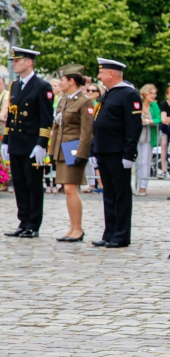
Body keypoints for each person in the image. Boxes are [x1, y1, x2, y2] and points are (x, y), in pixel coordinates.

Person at [89, 58, 143, 248]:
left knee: (121, 194)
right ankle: (109, 232)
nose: (98, 76)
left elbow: (134, 127)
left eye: (101, 73)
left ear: (111, 74)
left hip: (118, 152)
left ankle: (121, 235)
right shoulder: (108, 94)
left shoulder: (128, 95)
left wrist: (129, 154)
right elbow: (98, 122)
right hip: (104, 151)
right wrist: (94, 149)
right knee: (109, 194)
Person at [2, 47, 53, 238]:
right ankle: (23, 221)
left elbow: (46, 118)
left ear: (29, 62)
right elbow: (11, 115)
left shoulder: (42, 86)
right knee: (20, 184)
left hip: (32, 143)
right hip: (16, 141)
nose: (14, 64)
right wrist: (6, 140)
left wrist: (41, 144)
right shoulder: (15, 86)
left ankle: (33, 224)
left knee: (33, 184)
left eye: (17, 60)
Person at [49, 65, 94, 241]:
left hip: (74, 148)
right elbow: (57, 126)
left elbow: (86, 131)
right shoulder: (63, 100)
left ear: (72, 81)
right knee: (67, 189)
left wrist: (81, 154)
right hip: (62, 147)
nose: (60, 83)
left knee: (70, 188)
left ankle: (78, 229)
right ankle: (72, 227)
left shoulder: (85, 101)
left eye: (63, 80)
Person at [135, 84, 160, 195]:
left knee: (145, 162)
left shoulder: (154, 106)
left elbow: (158, 119)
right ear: (145, 93)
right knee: (136, 162)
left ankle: (143, 187)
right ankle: (136, 185)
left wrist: (147, 121)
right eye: (151, 93)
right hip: (136, 136)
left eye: (154, 94)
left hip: (148, 136)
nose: (153, 95)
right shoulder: (137, 103)